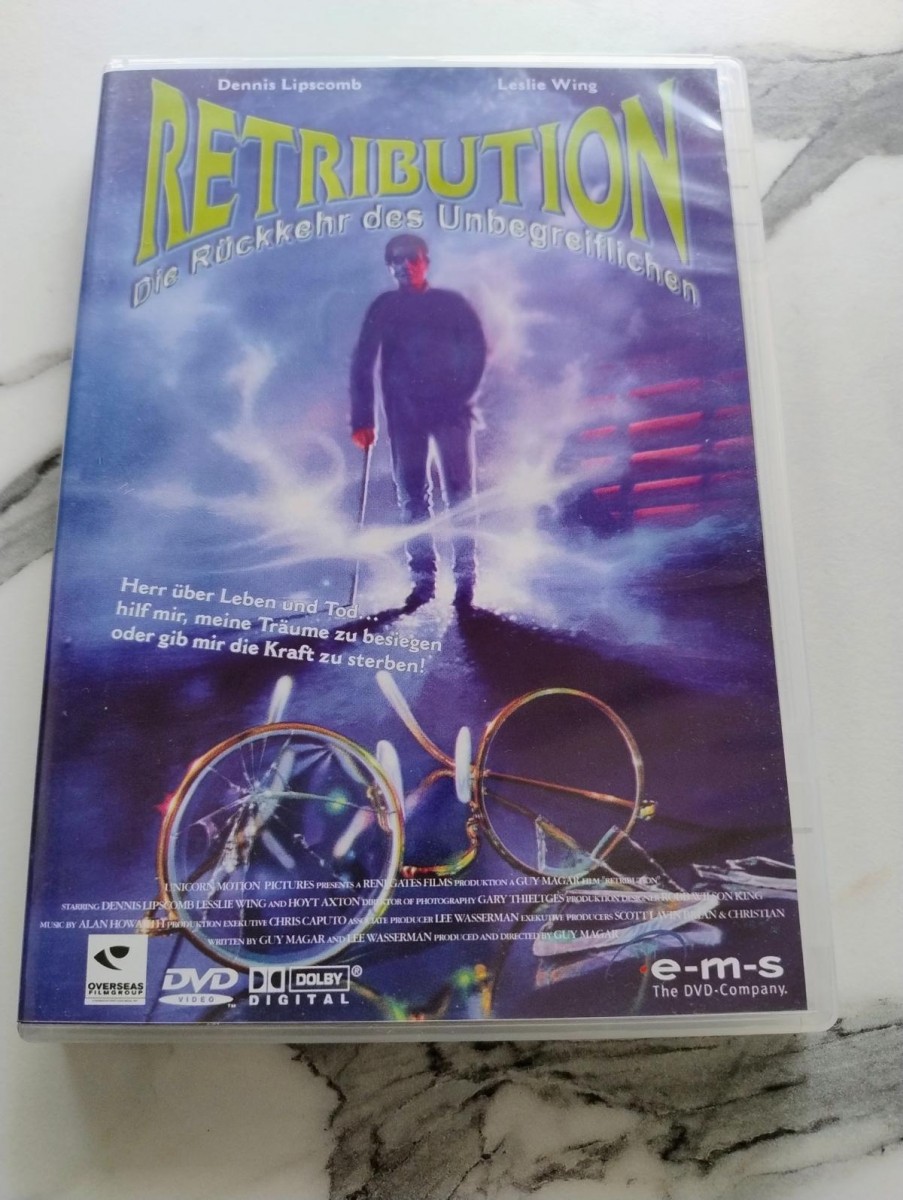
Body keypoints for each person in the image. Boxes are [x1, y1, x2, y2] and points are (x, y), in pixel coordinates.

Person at [350, 234, 487, 610]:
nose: (405, 265)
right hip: (404, 416)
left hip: (450, 413)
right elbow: (363, 361)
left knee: (460, 495)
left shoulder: (450, 304)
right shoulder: (384, 307)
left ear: (425, 261)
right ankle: (423, 581)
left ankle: (465, 580)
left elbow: (475, 352)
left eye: (412, 258)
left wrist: (459, 394)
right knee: (412, 497)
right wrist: (363, 419)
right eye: (397, 260)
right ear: (389, 266)